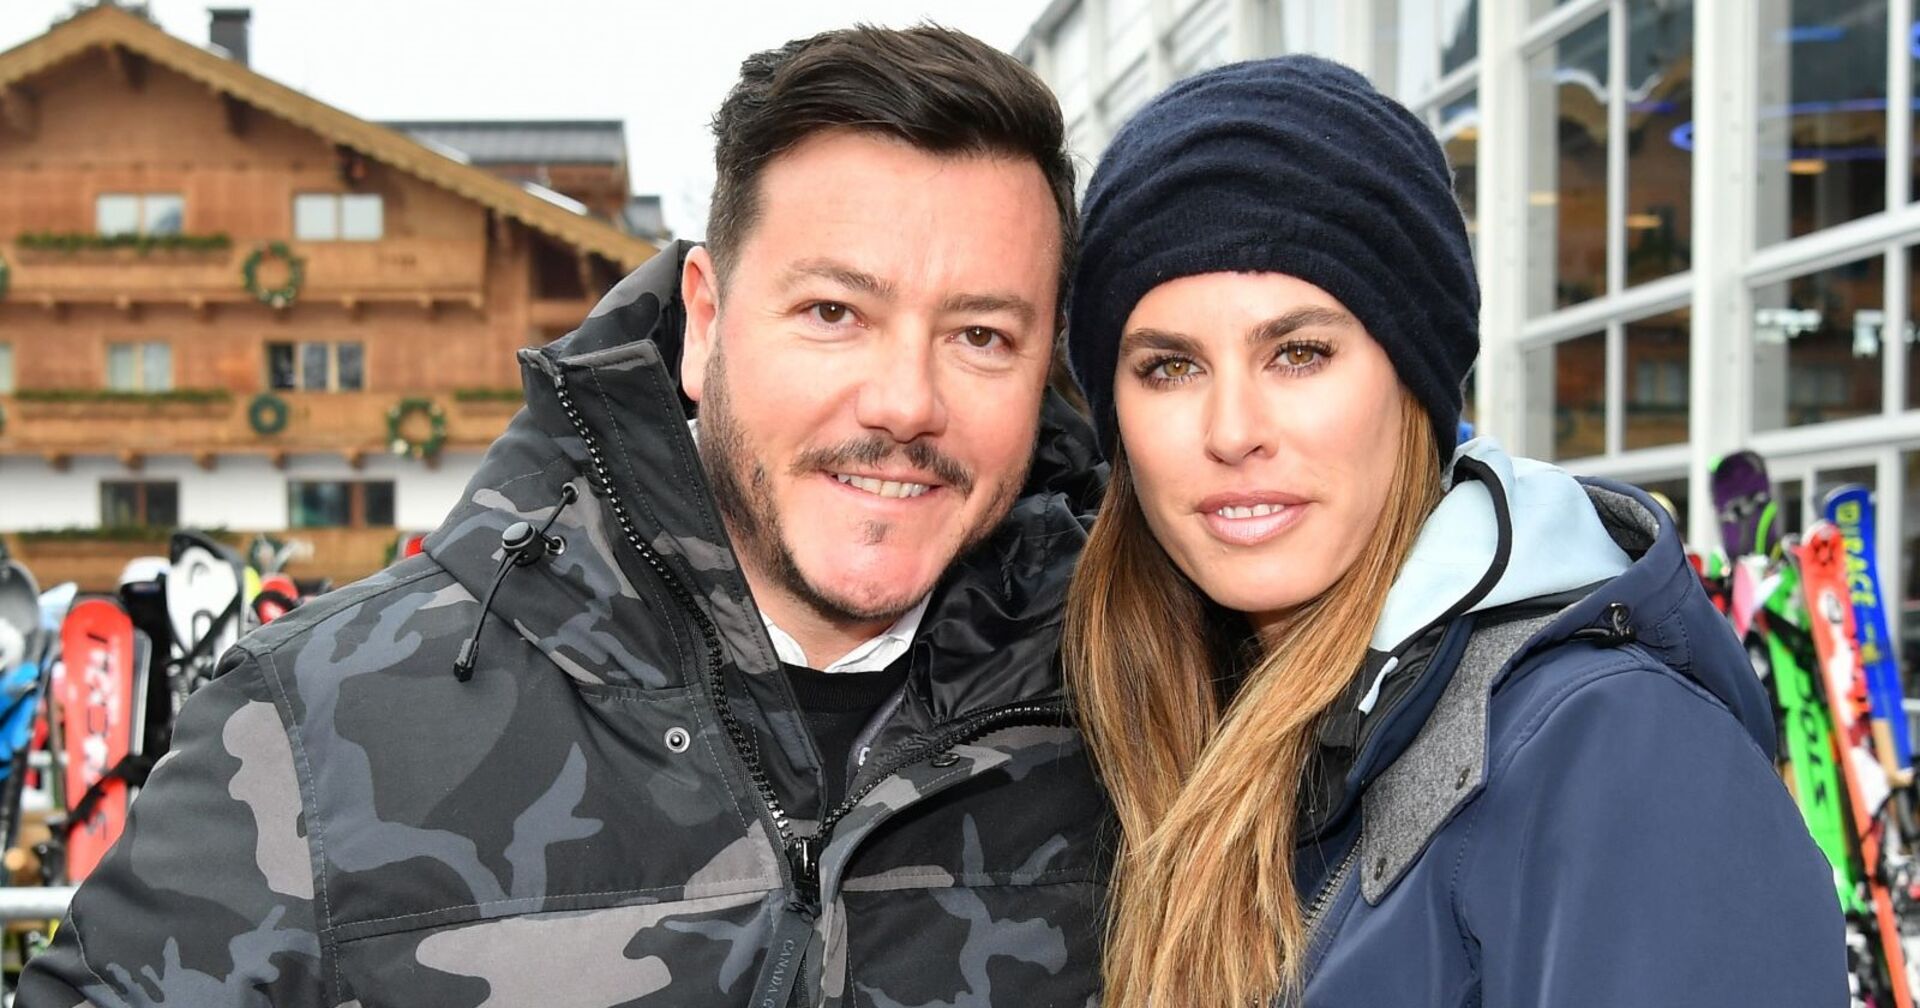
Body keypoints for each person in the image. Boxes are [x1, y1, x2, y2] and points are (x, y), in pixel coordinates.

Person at [20, 26, 1109, 1008]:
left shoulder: (1142, 723)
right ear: (705, 324)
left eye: (981, 336)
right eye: (835, 312)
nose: (906, 403)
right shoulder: (315, 727)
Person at [1060, 56, 1845, 1007]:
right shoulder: (1161, 735)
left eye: (1298, 353)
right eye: (1170, 367)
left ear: (1414, 382)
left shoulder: (1614, 753)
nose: (1232, 430)